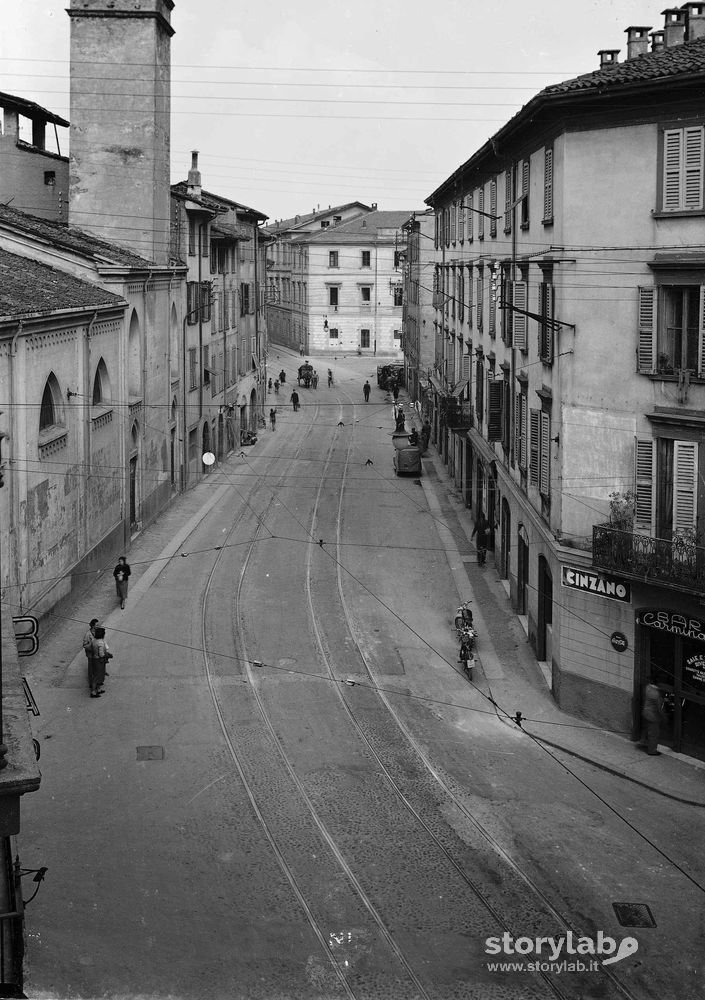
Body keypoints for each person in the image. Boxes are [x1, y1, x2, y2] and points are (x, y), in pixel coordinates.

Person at [639, 679, 662, 755]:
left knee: (646, 729)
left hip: (645, 712)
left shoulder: (647, 688)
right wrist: (663, 717)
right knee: (653, 734)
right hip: (652, 716)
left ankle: (643, 742)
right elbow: (659, 708)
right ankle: (652, 751)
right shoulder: (656, 694)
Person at [90, 625, 111, 698]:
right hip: (99, 661)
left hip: (94, 659)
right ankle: (93, 692)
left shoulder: (94, 640)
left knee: (97, 675)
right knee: (97, 676)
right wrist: (108, 655)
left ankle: (98, 689)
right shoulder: (101, 643)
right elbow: (101, 654)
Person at [83, 618, 100, 694]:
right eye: (97, 625)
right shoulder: (87, 634)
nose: (98, 626)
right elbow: (85, 645)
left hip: (97, 654)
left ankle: (97, 685)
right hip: (90, 655)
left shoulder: (98, 632)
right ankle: (91, 685)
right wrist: (91, 645)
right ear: (93, 626)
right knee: (91, 670)